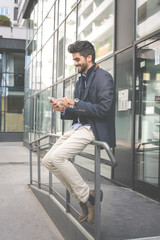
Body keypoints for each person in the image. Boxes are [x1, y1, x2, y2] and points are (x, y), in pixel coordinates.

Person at [42, 40, 115, 224]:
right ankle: (85, 199)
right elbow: (78, 109)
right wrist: (64, 109)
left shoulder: (104, 77)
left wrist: (74, 103)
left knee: (58, 158)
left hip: (92, 128)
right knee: (48, 160)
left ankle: (88, 199)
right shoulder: (80, 80)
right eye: (74, 60)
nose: (75, 63)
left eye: (77, 59)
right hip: (77, 127)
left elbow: (103, 109)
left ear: (89, 57)